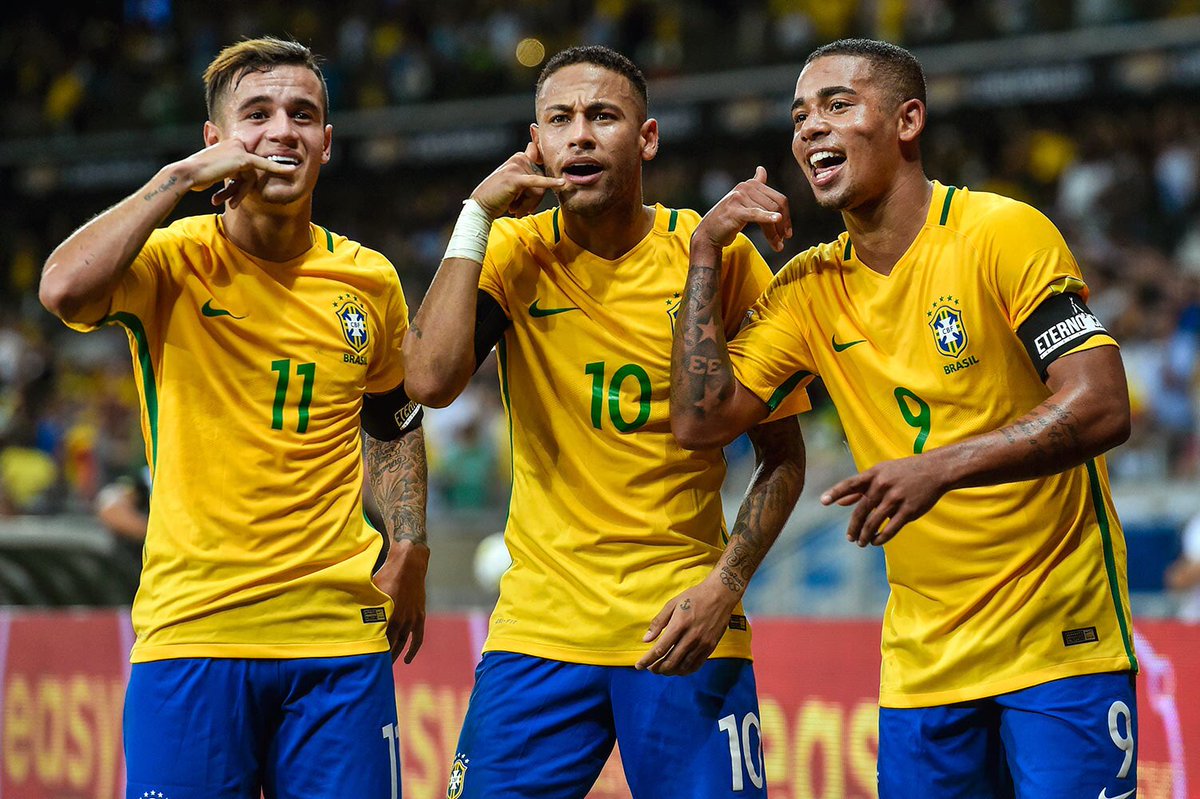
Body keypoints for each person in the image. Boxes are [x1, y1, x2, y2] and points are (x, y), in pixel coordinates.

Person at [670, 38, 1138, 799]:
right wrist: (703, 254)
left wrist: (941, 467)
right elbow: (699, 422)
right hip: (922, 664)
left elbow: (1101, 401)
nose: (810, 129)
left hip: (1061, 641)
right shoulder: (808, 288)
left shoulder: (1000, 232)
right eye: (798, 116)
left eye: (836, 105)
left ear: (908, 121)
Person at [403, 46, 807, 798]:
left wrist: (725, 586)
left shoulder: (714, 256)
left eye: (603, 117)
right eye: (561, 120)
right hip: (539, 632)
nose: (580, 135)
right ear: (537, 141)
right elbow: (427, 381)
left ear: (646, 138)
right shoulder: (515, 254)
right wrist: (475, 214)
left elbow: (783, 454)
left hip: (683, 624)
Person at [39, 37, 428, 799]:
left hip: (336, 644)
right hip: (192, 634)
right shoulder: (169, 261)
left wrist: (410, 541)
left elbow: (393, 416)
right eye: (257, 114)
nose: (283, 130)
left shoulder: (368, 278)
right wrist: (177, 180)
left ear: (326, 144)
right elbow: (61, 290)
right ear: (215, 141)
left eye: (302, 115)